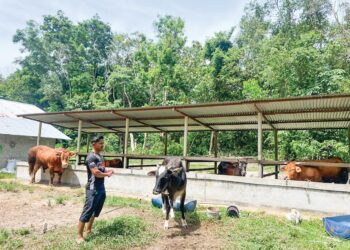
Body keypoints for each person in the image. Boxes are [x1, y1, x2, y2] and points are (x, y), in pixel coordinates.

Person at [77, 135, 113, 243]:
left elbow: (101, 168)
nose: (102, 145)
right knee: (88, 210)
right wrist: (107, 174)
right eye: (100, 143)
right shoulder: (90, 157)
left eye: (103, 143)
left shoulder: (101, 157)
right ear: (94, 144)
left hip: (101, 187)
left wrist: (107, 170)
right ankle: (79, 236)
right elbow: (96, 173)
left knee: (95, 210)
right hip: (92, 188)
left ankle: (88, 230)